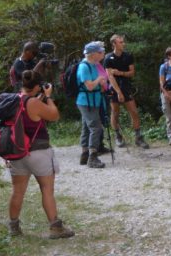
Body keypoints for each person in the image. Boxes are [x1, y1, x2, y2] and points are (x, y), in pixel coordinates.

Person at [7, 69, 74, 239]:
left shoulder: (13, 100)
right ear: (37, 86)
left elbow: (26, 110)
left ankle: (13, 227)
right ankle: (55, 228)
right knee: (47, 190)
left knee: (17, 191)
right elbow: (54, 115)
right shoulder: (35, 103)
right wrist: (49, 96)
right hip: (39, 152)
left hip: (17, 151)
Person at [104, 34, 149, 149]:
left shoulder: (128, 56)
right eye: (120, 42)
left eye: (123, 42)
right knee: (115, 112)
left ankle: (138, 138)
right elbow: (110, 76)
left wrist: (121, 73)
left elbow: (132, 72)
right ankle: (118, 136)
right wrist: (118, 92)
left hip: (126, 86)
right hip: (113, 88)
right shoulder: (108, 58)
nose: (123, 44)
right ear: (114, 44)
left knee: (134, 111)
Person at [77, 41, 114, 168]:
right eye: (100, 52)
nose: (103, 54)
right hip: (87, 101)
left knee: (87, 127)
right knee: (95, 127)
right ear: (92, 54)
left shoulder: (93, 65)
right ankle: (93, 157)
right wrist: (99, 80)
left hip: (93, 100)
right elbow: (89, 86)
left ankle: (85, 155)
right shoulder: (84, 66)